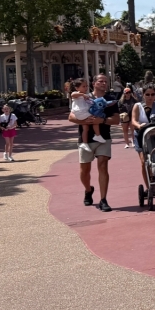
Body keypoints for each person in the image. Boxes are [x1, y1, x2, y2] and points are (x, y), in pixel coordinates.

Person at [69, 73, 119, 212]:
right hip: (86, 139)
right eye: (101, 81)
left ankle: (103, 199)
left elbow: (116, 120)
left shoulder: (110, 99)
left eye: (105, 81)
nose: (104, 83)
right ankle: (88, 189)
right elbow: (71, 117)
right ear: (94, 83)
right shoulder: (84, 96)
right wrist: (85, 121)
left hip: (104, 137)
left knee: (103, 165)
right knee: (84, 170)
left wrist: (101, 120)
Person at [130, 85, 155, 191]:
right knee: (144, 162)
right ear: (143, 95)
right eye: (147, 94)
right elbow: (133, 121)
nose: (150, 97)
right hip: (142, 136)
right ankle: (148, 187)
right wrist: (139, 126)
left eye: (152, 94)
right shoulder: (138, 106)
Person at [70, 77, 106, 153]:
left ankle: (84, 143)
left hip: (82, 113)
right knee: (95, 118)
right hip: (80, 112)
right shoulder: (77, 94)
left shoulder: (85, 95)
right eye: (83, 86)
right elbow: (73, 94)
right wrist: (83, 95)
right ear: (77, 88)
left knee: (85, 128)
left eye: (86, 86)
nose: (86, 88)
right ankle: (97, 135)